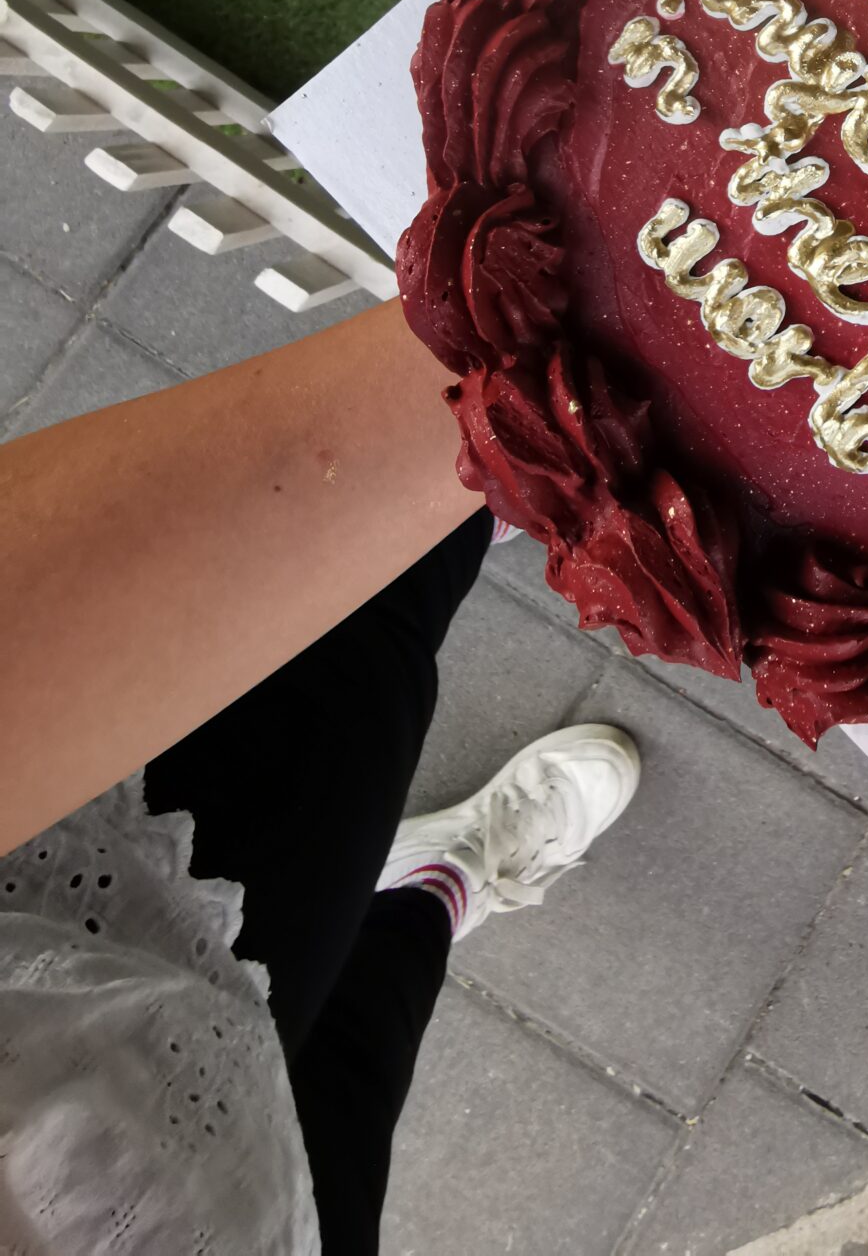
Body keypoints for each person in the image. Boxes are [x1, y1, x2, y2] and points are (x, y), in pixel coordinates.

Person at [0, 298, 637, 1254]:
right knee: (355, 1091)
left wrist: (494, 376)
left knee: (343, 672)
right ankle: (435, 887)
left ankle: (475, 487)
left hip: (73, 965)